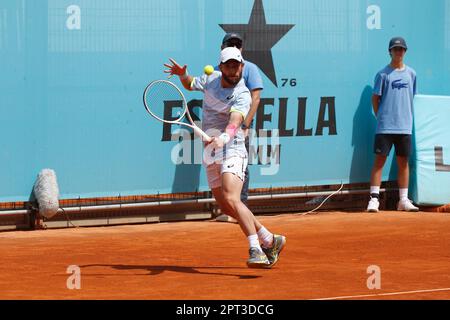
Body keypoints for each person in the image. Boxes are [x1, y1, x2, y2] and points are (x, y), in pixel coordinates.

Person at [164, 47, 285, 268]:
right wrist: (182, 74)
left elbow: (236, 120)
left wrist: (223, 138)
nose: (233, 69)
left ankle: (256, 248)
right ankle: (269, 238)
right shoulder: (211, 78)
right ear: (221, 67)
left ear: (241, 66)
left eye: (237, 64)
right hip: (211, 150)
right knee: (227, 206)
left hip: (232, 146)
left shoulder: (242, 93)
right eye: (228, 65)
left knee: (231, 197)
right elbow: (191, 84)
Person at [214, 33, 264, 224]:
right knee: (220, 166)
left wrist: (245, 125)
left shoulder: (249, 68)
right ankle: (230, 209)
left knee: (240, 166)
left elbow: (256, 98)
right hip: (219, 129)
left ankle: (240, 207)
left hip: (239, 125)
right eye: (230, 44)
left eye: (238, 44)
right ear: (222, 47)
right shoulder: (221, 68)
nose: (235, 47)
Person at [367, 37, 419, 213]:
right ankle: (374, 199)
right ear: (390, 51)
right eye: (395, 49)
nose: (399, 52)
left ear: (405, 51)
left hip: (404, 126)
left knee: (403, 162)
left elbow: (412, 97)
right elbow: (375, 98)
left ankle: (403, 201)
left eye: (401, 49)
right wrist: (380, 116)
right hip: (385, 126)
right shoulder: (382, 74)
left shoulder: (411, 74)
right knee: (379, 161)